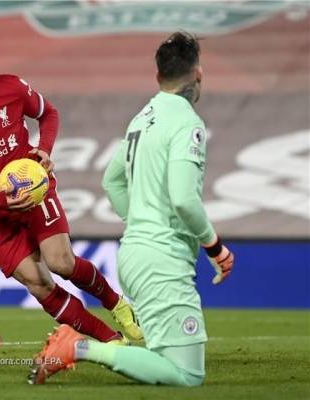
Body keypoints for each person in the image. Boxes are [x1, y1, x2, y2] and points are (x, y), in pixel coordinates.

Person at [29, 31, 235, 386]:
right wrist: (215, 247)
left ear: (158, 76)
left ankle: (77, 347)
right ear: (198, 73)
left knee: (166, 361)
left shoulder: (142, 117)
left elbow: (112, 181)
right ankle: (77, 347)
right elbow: (184, 199)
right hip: (162, 259)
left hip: (135, 253)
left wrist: (140, 221)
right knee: (187, 374)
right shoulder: (186, 122)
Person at [0, 26, 143, 344]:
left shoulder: (10, 88)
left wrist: (45, 149)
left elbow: (48, 113)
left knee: (61, 263)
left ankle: (117, 304)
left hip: (34, 192)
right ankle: (112, 341)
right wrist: (0, 202)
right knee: (38, 284)